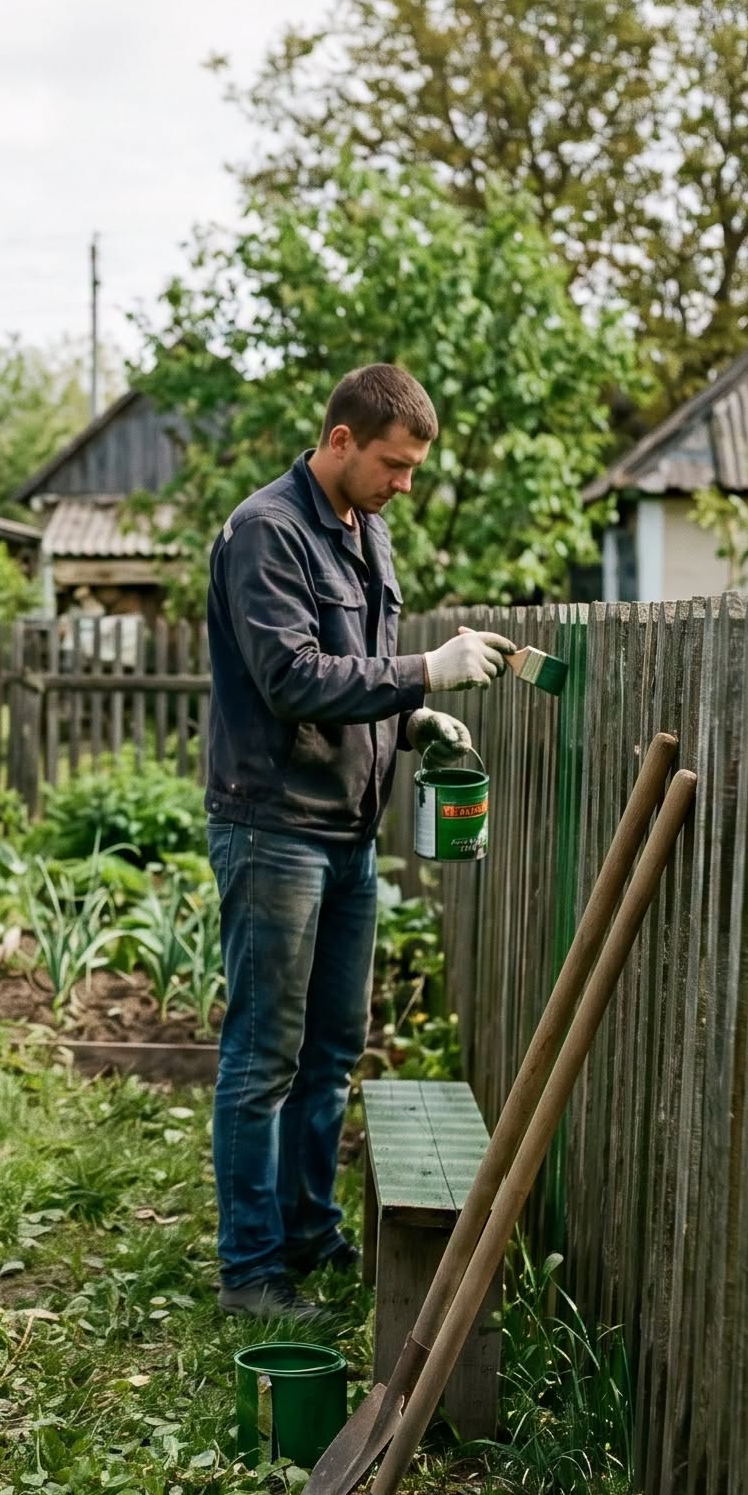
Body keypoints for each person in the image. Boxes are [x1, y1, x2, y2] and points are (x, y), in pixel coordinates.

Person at [203, 363, 513, 1321]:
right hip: (274, 825)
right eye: (393, 464)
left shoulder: (365, 530)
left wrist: (410, 721)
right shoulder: (267, 531)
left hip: (348, 827)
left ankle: (308, 1232)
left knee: (334, 1049)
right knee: (265, 1054)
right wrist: (425, 673)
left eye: (413, 468)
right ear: (340, 440)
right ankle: (252, 1271)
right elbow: (292, 676)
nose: (404, 485)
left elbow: (356, 671)